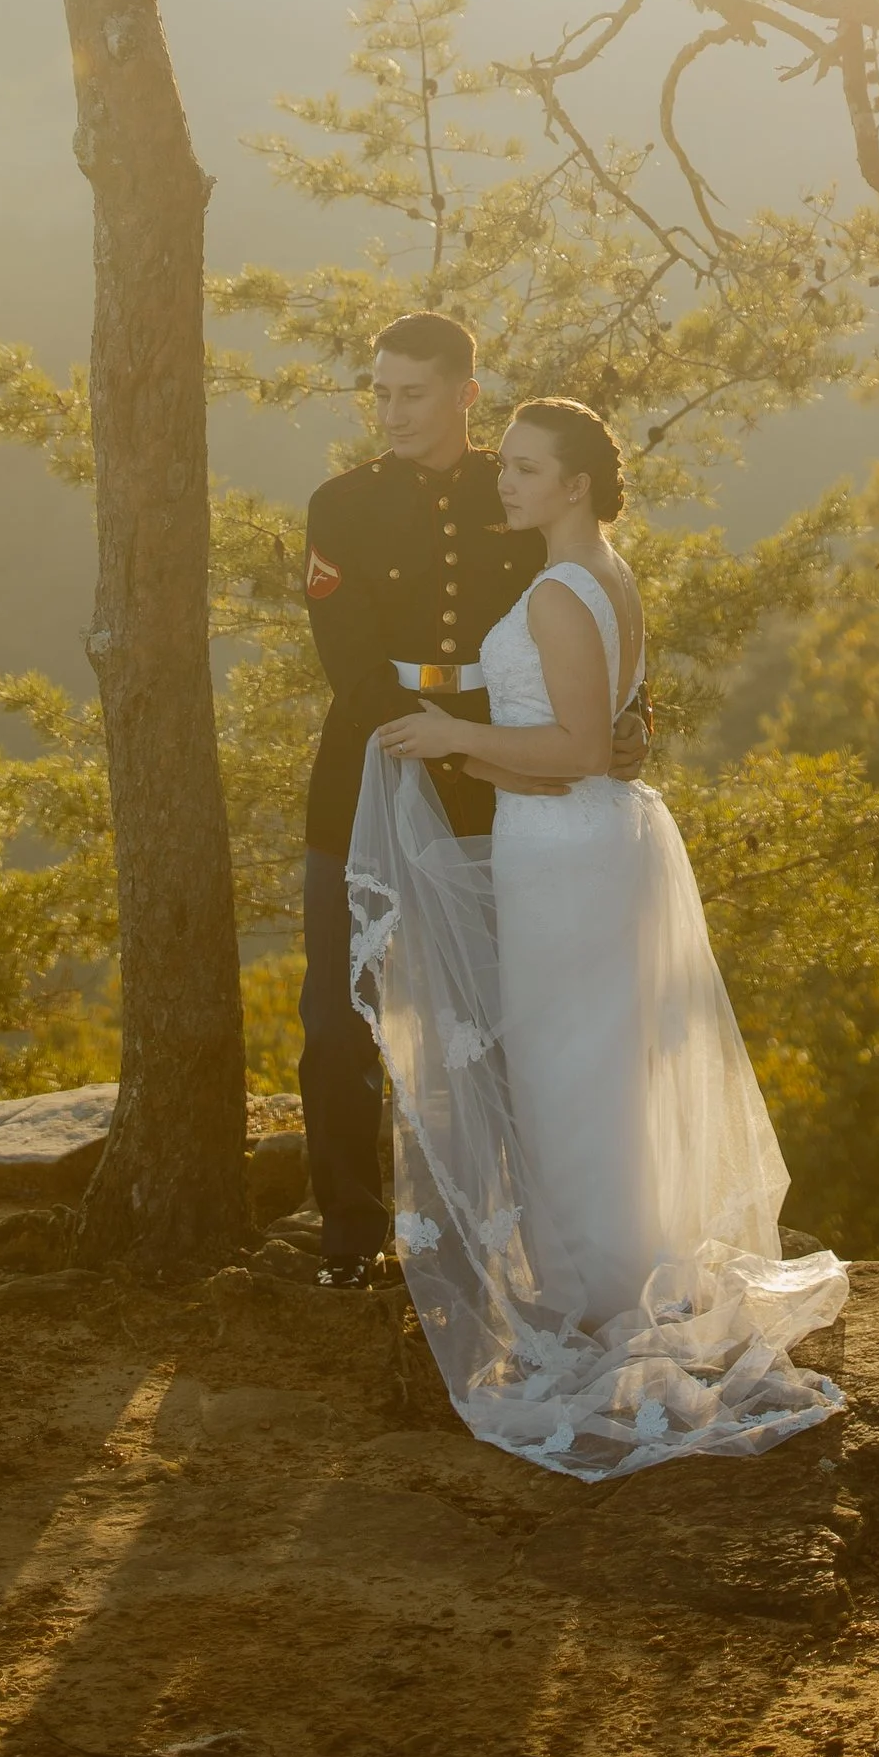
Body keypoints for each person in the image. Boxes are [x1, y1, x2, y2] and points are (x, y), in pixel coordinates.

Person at [350, 396, 848, 1476]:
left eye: (526, 469)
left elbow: (577, 744)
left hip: (568, 850)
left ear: (575, 484)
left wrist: (449, 735)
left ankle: (601, 1297)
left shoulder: (562, 593)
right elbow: (591, 735)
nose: (506, 482)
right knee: (589, 1064)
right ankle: (612, 1276)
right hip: (570, 838)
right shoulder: (597, 576)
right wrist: (475, 757)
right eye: (508, 467)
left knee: (573, 1070)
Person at [295, 315, 649, 1290]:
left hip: (503, 788)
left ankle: (491, 1228)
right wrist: (428, 742)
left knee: (495, 1020)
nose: (392, 411)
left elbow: (589, 599)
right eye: (380, 392)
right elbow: (352, 666)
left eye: (413, 392)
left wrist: (629, 715)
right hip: (369, 767)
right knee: (339, 1017)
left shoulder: (519, 483)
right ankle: (351, 1239)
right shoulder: (341, 504)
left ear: (465, 393)